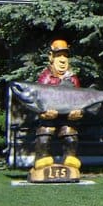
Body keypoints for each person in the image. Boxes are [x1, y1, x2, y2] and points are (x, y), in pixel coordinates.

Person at [33, 39, 83, 170]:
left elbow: (80, 97)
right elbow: (38, 97)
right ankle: (42, 158)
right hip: (49, 116)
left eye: (65, 56)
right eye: (58, 55)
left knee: (71, 136)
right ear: (51, 57)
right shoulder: (46, 77)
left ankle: (70, 158)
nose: (62, 60)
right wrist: (43, 112)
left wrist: (78, 111)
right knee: (44, 135)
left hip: (66, 117)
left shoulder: (72, 78)